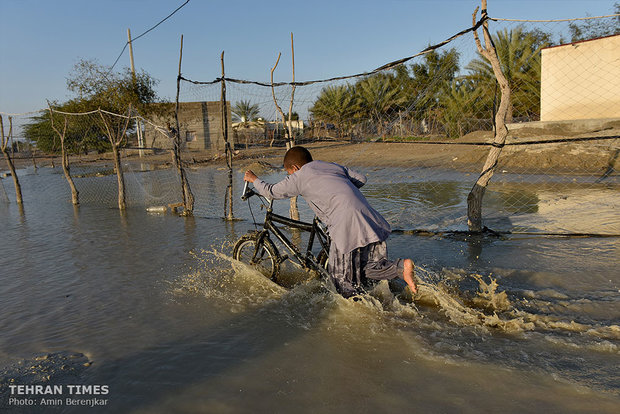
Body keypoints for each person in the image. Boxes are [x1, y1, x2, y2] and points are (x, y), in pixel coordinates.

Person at [243, 146, 417, 298]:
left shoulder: (300, 176)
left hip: (344, 223)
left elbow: (272, 191)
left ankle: (356, 312)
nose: (291, 176)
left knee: (340, 279)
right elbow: (362, 179)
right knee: (364, 268)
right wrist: (337, 190)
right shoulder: (330, 166)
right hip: (368, 216)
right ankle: (400, 268)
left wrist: (254, 179)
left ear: (295, 168)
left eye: (290, 173)